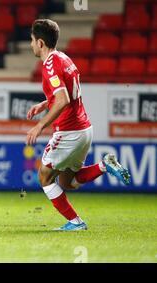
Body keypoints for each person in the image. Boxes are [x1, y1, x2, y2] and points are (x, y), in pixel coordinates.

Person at [26, 19, 131, 231]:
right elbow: (66, 93)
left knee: (44, 176)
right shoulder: (64, 58)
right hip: (84, 129)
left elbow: (63, 99)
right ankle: (105, 165)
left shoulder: (49, 66)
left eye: (31, 40)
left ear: (40, 43)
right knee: (67, 182)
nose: (30, 45)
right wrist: (45, 103)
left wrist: (41, 125)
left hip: (69, 131)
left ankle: (76, 222)